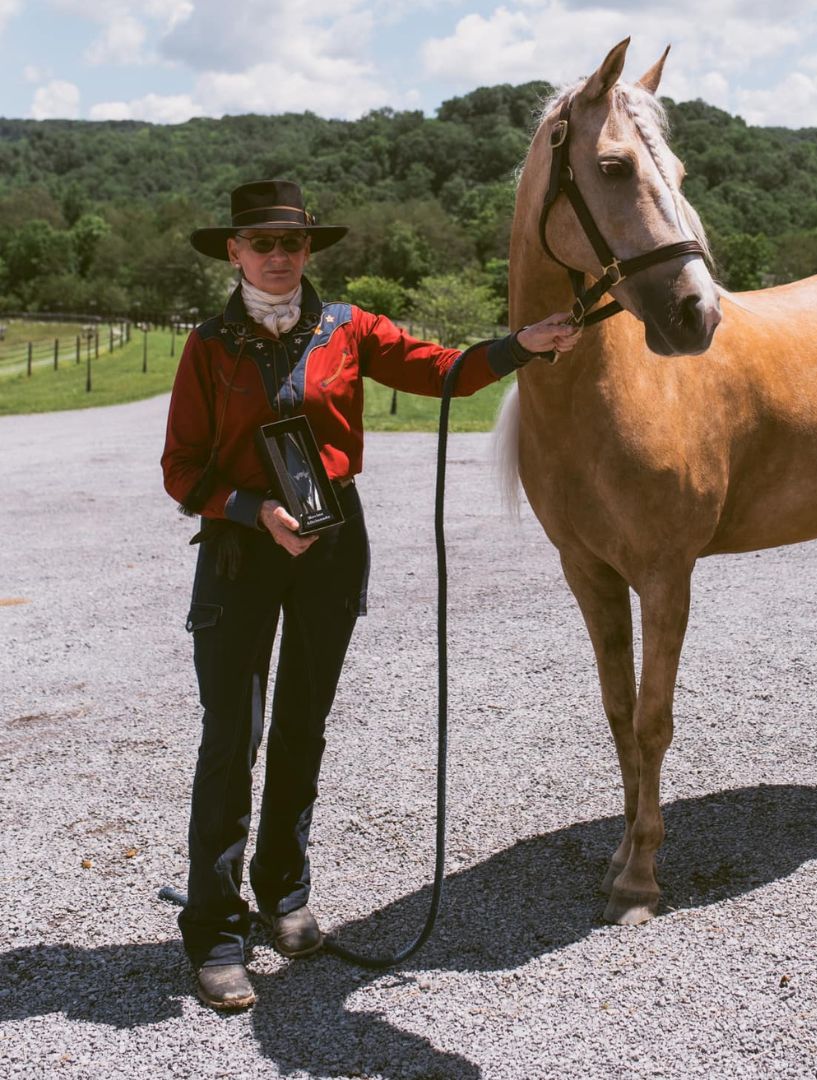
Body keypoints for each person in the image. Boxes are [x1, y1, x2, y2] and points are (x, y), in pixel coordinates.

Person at [161, 179, 580, 1010]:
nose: (278, 257)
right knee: (230, 736)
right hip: (243, 553)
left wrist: (522, 344)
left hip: (332, 546)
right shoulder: (209, 344)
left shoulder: (347, 328)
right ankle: (214, 929)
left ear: (309, 251)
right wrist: (253, 510)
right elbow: (182, 471)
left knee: (304, 723)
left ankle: (284, 894)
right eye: (262, 244)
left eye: (292, 244)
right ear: (235, 252)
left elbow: (443, 371)